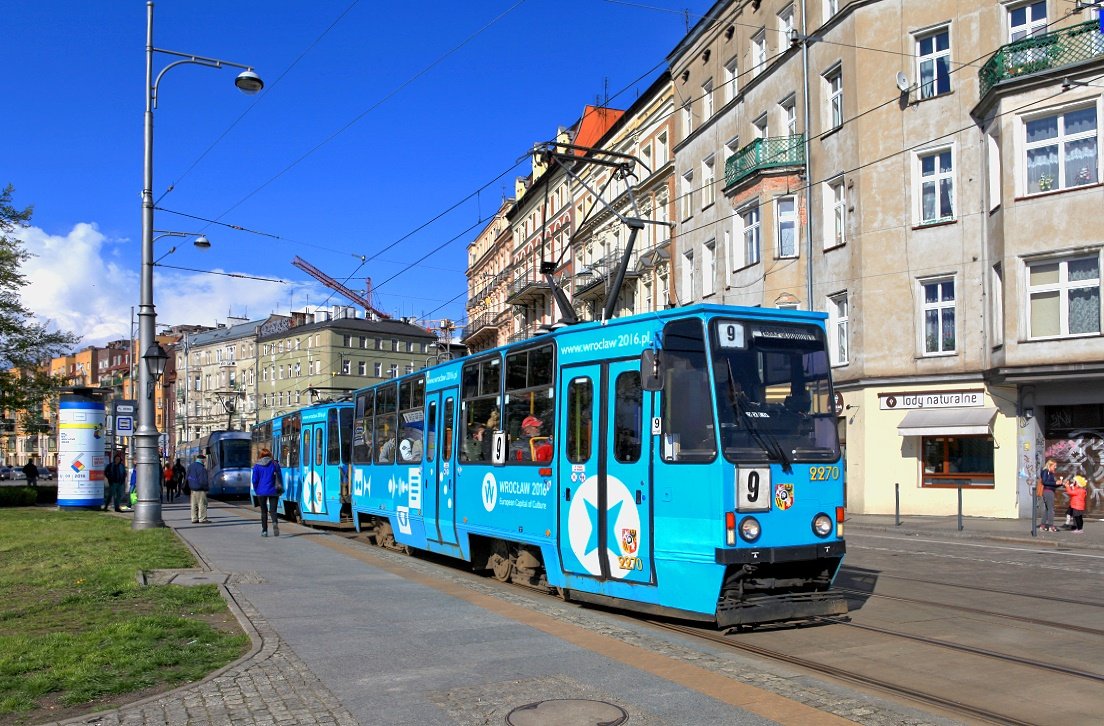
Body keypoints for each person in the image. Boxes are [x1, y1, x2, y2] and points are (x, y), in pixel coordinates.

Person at [251, 447, 282, 537]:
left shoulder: (257, 466)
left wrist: (257, 490)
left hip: (261, 491)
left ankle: (264, 531)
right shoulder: (274, 464)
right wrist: (280, 489)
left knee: (264, 512)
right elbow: (279, 477)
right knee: (273, 511)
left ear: (260, 455)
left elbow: (254, 480)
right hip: (273, 490)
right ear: (270, 455)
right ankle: (275, 522)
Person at [186, 453, 210, 524]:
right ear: (202, 460)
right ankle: (202, 519)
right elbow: (203, 480)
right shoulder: (202, 468)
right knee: (202, 504)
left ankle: (194, 518)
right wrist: (206, 489)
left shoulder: (191, 466)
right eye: (204, 460)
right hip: (200, 489)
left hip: (192, 488)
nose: (205, 461)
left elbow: (187, 477)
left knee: (194, 504)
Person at [1038, 459, 1061, 532]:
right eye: (1054, 465)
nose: (1055, 467)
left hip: (1049, 491)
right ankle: (1051, 526)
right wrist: (1055, 483)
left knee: (1047, 509)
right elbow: (1045, 482)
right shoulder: (1045, 471)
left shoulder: (1050, 473)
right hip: (1048, 492)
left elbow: (1052, 484)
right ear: (1050, 465)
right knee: (1051, 509)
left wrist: (1060, 483)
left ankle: (1042, 525)